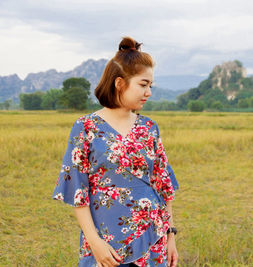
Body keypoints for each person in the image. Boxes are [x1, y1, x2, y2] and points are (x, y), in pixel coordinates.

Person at [52, 36, 179, 267]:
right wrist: (94, 243)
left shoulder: (149, 127)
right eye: (143, 84)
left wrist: (170, 236)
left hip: (153, 241)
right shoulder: (86, 127)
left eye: (151, 85)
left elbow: (163, 186)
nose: (148, 92)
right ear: (120, 83)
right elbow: (78, 192)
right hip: (105, 244)